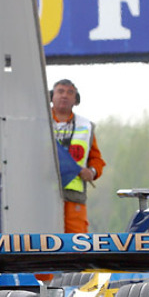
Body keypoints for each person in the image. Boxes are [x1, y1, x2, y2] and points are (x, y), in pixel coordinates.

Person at [50, 79, 106, 233]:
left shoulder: (85, 126)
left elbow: (97, 160)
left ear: (76, 100)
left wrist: (92, 172)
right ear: (51, 96)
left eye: (70, 92)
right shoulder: (38, 121)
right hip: (41, 194)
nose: (65, 96)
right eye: (60, 91)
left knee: (77, 245)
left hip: (73, 198)